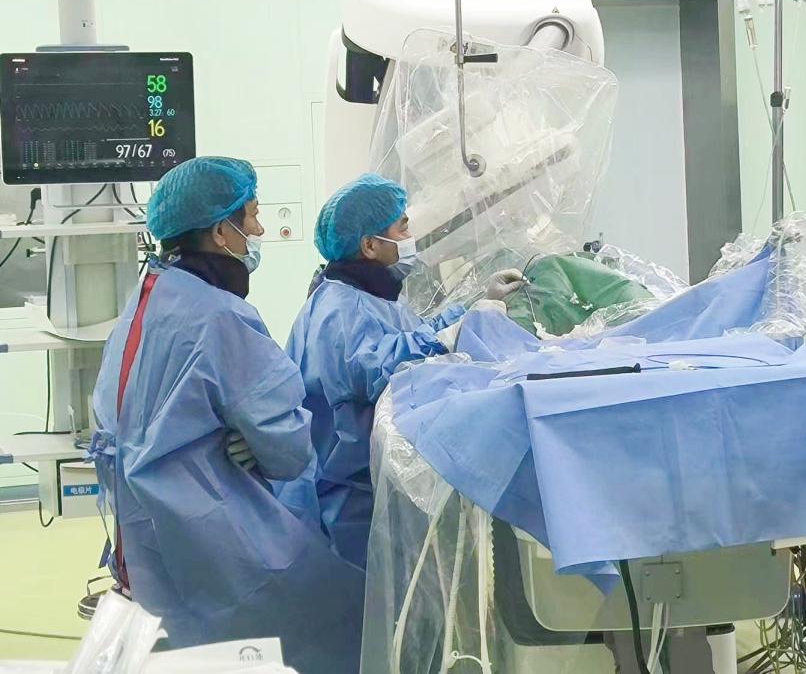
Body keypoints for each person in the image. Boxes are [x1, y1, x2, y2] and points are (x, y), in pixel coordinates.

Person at [89, 157, 364, 674]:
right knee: (339, 618)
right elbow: (287, 450)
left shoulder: (146, 300)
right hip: (211, 533)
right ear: (221, 231)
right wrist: (260, 443)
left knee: (177, 647)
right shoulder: (221, 316)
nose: (258, 230)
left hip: (145, 536)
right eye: (252, 216)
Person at [285, 173, 525, 569]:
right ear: (370, 245)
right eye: (402, 227)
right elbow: (374, 367)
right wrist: (454, 334)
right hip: (346, 499)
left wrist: (473, 308)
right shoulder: (338, 309)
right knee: (361, 595)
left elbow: (409, 334)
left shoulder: (364, 295)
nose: (411, 237)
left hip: (361, 488)